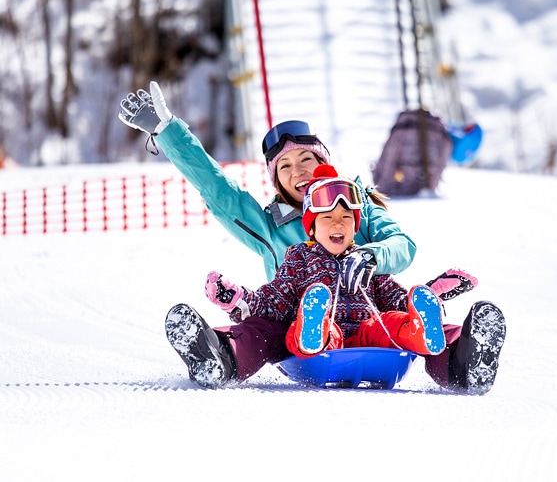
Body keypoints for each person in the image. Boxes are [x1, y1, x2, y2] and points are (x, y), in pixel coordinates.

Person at [118, 81, 506, 394]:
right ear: (276, 178)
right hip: (298, 324)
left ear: (324, 161)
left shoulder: (354, 203)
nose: (298, 170)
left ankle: (464, 360)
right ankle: (219, 356)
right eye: (285, 165)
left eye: (306, 158)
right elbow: (216, 187)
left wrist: (371, 257)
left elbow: (402, 246)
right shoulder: (269, 223)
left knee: (415, 321)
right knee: (258, 331)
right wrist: (168, 133)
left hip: (366, 313)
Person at [206, 164, 451, 363]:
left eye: (346, 218)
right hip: (326, 339)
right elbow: (275, 299)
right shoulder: (299, 257)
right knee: (301, 327)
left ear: (355, 228)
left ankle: (420, 333)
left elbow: (392, 297)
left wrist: (416, 307)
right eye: (327, 218)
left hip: (366, 335)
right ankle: (313, 327)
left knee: (389, 322)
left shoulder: (364, 260)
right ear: (311, 228)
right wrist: (240, 300)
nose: (338, 224)